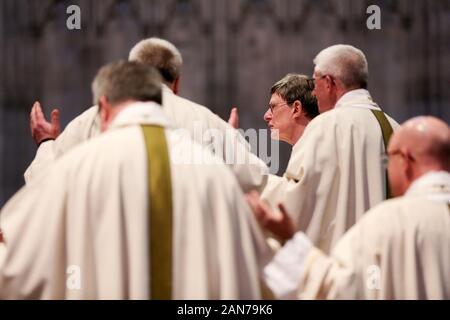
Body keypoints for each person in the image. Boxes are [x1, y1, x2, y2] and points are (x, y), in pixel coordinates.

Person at [0, 61, 272, 299]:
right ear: (161, 98)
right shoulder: (217, 177)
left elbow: (16, 268)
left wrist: (47, 144)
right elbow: (255, 275)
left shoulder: (75, 169)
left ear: (103, 106)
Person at [25, 38, 268, 192]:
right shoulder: (207, 121)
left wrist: (47, 143)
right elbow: (255, 180)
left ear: (131, 72)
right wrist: (228, 140)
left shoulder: (92, 120)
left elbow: (45, 182)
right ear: (177, 82)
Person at [258, 116, 450, 299]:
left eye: (388, 159)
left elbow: (342, 289)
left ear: (405, 160)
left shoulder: (388, 221)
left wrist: (291, 242)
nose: (387, 168)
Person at [255, 44, 399, 254]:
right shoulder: (395, 128)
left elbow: (295, 201)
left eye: (315, 83)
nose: (313, 91)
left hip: (342, 266)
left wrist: (247, 173)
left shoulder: (325, 126)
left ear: (329, 82)